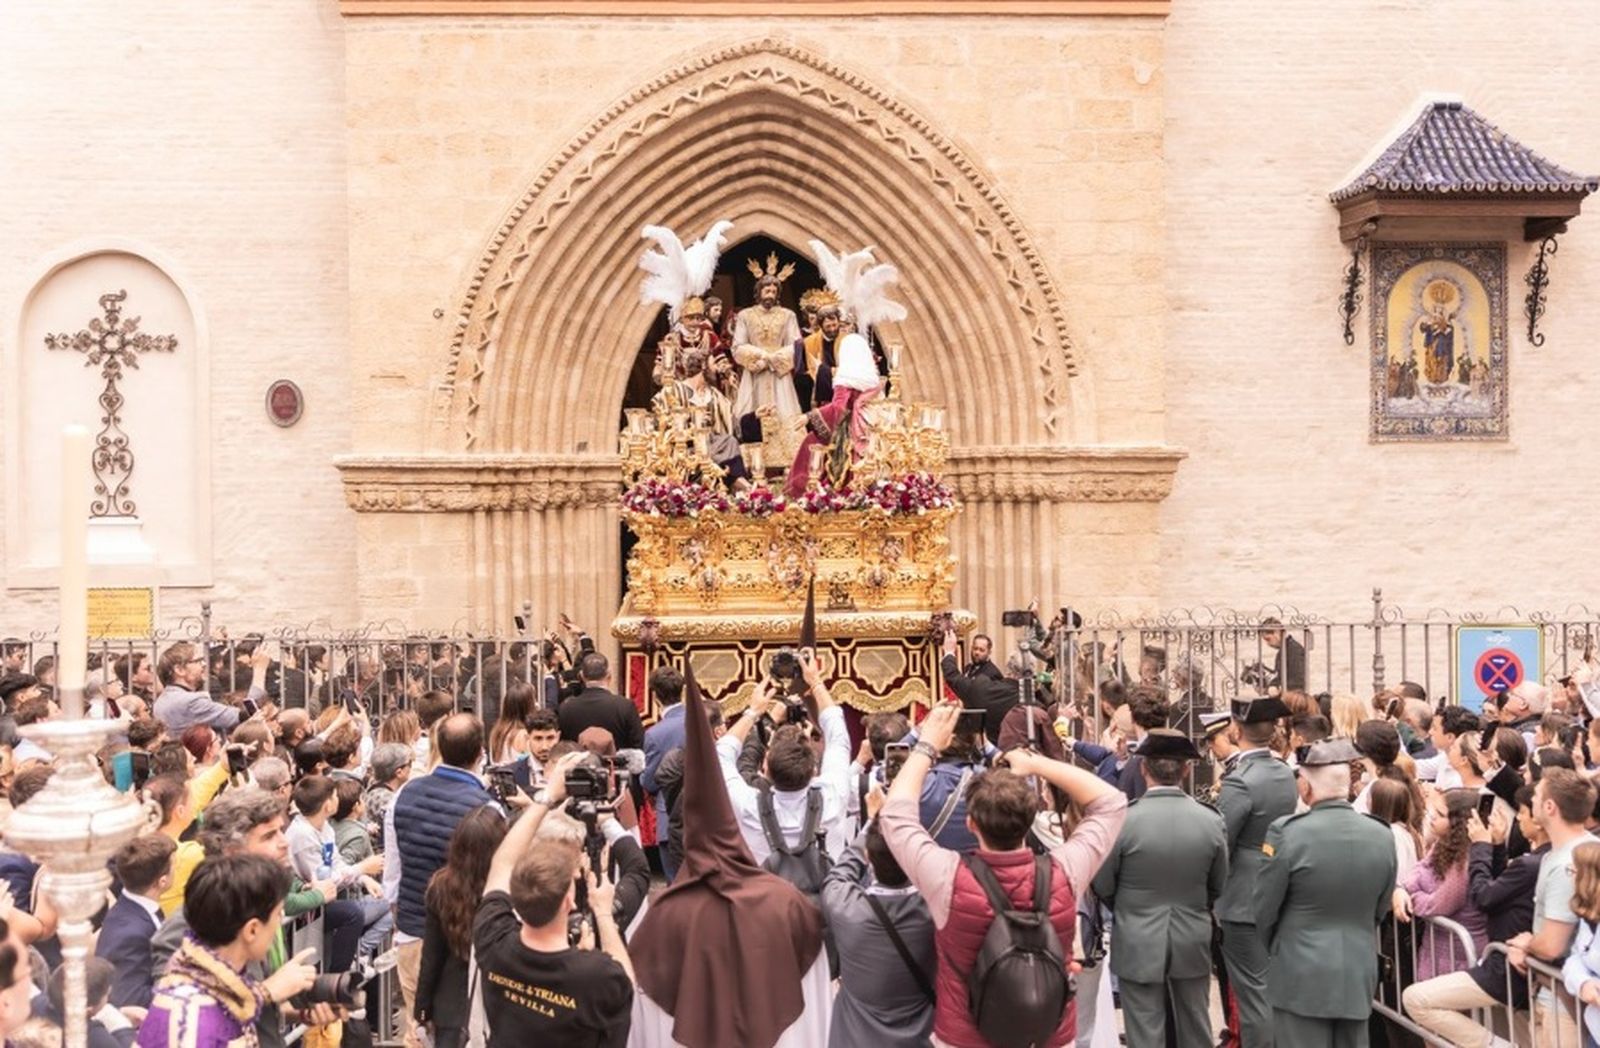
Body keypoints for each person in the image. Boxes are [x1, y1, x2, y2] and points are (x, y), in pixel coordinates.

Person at [880, 702, 1127, 1048]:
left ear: (971, 823)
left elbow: (896, 816)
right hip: (1046, 1035)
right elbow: (1111, 803)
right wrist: (1035, 763)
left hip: (967, 1036)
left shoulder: (947, 879)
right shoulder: (1065, 873)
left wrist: (925, 744)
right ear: (1030, 821)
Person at [630, 667, 827, 1048]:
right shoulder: (788, 904)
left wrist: (752, 713)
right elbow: (814, 1003)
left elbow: (646, 1023)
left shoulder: (662, 918)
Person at [475, 751, 634, 1047]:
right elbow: (625, 982)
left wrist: (546, 797)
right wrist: (603, 915)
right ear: (568, 901)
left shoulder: (493, 939)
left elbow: (502, 864)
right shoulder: (596, 975)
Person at [1254, 737, 1397, 1048]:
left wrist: (1278, 947)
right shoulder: (1381, 834)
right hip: (1356, 967)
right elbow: (1379, 907)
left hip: (1299, 968)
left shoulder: (1287, 832)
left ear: (1305, 787)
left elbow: (1264, 909)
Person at [1092, 730, 1227, 1048]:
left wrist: (1129, 906)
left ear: (1142, 768)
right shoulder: (1210, 821)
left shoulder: (1125, 820)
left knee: (1144, 1030)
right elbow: (1218, 883)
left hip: (1137, 933)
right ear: (1186, 770)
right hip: (1190, 932)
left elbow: (1104, 884)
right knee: (1195, 1025)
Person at [1403, 784, 1548, 1048]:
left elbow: (1448, 902)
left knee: (1441, 1025)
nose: (1431, 817)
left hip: (1462, 953)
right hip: (1440, 949)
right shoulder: (1441, 847)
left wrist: (1411, 897)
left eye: (1440, 813)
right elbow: (1418, 870)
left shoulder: (1468, 858)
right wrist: (1406, 886)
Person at [386, 712, 497, 1046]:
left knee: (417, 1031)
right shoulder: (487, 810)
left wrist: (400, 918)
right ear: (480, 753)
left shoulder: (401, 796)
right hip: (466, 946)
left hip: (413, 930)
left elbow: (393, 871)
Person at [137, 855, 319, 1048]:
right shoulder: (191, 1015)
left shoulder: (210, 983)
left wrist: (298, 1012)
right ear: (252, 930)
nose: (279, 923)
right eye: (278, 914)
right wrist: (267, 991)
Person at [820, 790, 936, 1047]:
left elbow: (839, 874)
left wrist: (872, 825)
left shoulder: (845, 906)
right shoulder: (934, 912)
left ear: (868, 858)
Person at [1214, 696, 1296, 1048]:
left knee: (1253, 995)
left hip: (1243, 895)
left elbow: (1221, 841)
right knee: (1271, 988)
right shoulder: (1284, 772)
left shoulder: (1240, 780)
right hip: (1278, 883)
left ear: (1235, 729)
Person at [717, 654, 852, 865]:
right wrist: (815, 682)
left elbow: (721, 753)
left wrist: (754, 712)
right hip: (825, 895)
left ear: (765, 767)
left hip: (769, 897)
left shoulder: (748, 807)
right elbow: (837, 734)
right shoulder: (833, 796)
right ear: (814, 769)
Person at [416, 807, 508, 1048]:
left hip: (451, 1005)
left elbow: (431, 957)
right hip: (500, 1002)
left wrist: (422, 1010)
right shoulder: (511, 889)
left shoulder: (441, 886)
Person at [783, 331, 884, 497]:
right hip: (873, 422)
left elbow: (838, 409)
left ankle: (808, 490)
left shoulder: (845, 377)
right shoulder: (872, 378)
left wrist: (809, 416)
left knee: (811, 442)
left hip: (853, 426)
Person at [731, 268, 804, 466]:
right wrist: (761, 356)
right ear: (759, 291)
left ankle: (788, 461)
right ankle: (752, 462)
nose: (770, 294)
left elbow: (796, 345)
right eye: (766, 290)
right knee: (752, 411)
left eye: (774, 290)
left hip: (779, 374)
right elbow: (737, 346)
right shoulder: (745, 316)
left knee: (785, 413)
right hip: (755, 373)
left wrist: (774, 359)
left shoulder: (788, 315)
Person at [97, 834, 176, 1009]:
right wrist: (177, 984)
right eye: (174, 866)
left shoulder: (136, 908)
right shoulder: (130, 933)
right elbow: (129, 998)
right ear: (162, 881)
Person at [153, 641, 269, 734]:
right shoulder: (191, 702)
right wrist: (260, 670)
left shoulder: (161, 700)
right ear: (179, 670)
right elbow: (248, 713)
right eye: (198, 661)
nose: (204, 664)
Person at [640, 665, 687, 880]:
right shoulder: (702, 720)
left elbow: (650, 781)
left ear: (655, 695)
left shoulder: (655, 734)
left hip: (669, 813)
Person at [936, 630, 1020, 744]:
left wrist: (949, 652)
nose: (977, 652)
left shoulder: (992, 673)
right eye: (975, 648)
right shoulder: (969, 668)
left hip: (983, 732)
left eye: (981, 650)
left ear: (989, 652)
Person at [556, 654, 644, 751]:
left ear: (581, 676)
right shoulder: (625, 706)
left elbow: (562, 747)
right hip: (615, 765)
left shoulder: (566, 708)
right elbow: (638, 747)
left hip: (578, 765)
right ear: (609, 675)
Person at [1560, 841, 1600, 1045]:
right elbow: (1575, 958)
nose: (1571, 877)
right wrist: (1583, 983)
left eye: (1572, 871)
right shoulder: (1589, 918)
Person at [1259, 618, 1305, 695]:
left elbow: (1299, 680)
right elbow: (1279, 676)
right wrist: (1270, 686)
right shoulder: (1283, 651)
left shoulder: (1294, 649)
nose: (1268, 644)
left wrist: (1278, 688)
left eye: (1268, 639)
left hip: (1294, 699)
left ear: (1277, 632)